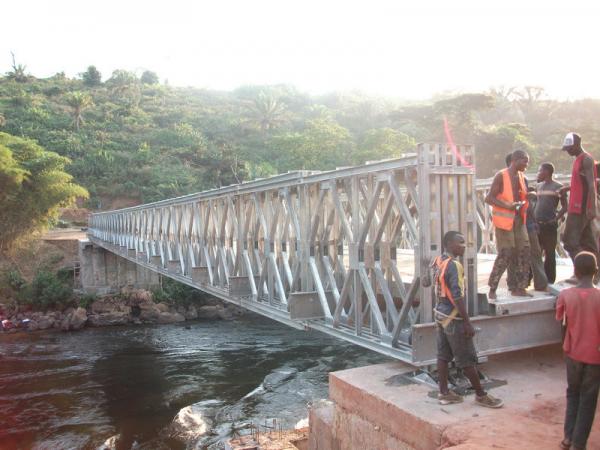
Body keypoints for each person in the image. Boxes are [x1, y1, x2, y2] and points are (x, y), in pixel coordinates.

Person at [424, 231, 503, 408]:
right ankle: (481, 395)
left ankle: (444, 393)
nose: (463, 246)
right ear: (450, 244)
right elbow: (457, 296)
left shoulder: (437, 261)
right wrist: (466, 321)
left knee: (443, 356)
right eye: (460, 243)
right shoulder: (454, 265)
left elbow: (425, 282)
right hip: (453, 318)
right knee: (466, 358)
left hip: (440, 314)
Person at [555, 251, 600, 450]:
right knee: (588, 398)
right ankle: (579, 444)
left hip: (572, 353)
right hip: (594, 355)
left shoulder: (565, 295)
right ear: (596, 271)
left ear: (575, 271)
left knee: (572, 393)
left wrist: (566, 347)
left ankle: (568, 438)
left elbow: (562, 325)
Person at [486, 149, 531, 299]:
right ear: (515, 160)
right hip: (505, 221)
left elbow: (519, 195)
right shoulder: (501, 175)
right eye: (525, 160)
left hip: (519, 220)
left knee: (524, 251)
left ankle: (520, 287)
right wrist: (507, 206)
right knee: (506, 253)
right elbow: (489, 198)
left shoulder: (521, 176)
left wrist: (529, 195)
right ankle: (492, 288)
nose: (527, 164)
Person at [560, 132, 599, 283]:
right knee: (588, 243)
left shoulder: (586, 159)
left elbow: (591, 185)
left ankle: (582, 274)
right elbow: (581, 183)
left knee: (569, 241)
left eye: (570, 148)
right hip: (577, 206)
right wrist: (568, 188)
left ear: (577, 144)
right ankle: (594, 275)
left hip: (580, 208)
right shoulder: (578, 159)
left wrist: (592, 206)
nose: (568, 151)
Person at [535, 163, 567, 284]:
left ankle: (550, 280)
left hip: (549, 224)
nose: (538, 173)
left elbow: (565, 207)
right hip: (537, 223)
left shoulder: (558, 186)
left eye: (540, 171)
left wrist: (556, 219)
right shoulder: (539, 186)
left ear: (547, 171)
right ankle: (537, 279)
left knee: (550, 253)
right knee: (536, 252)